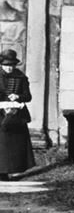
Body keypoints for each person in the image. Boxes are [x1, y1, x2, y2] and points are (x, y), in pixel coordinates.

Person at [0, 49, 35, 181]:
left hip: (16, 115)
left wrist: (18, 96)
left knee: (16, 144)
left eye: (11, 65)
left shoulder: (21, 77)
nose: (9, 68)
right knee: (1, 145)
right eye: (6, 65)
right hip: (0, 114)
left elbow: (28, 96)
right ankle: (1, 173)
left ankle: (15, 170)